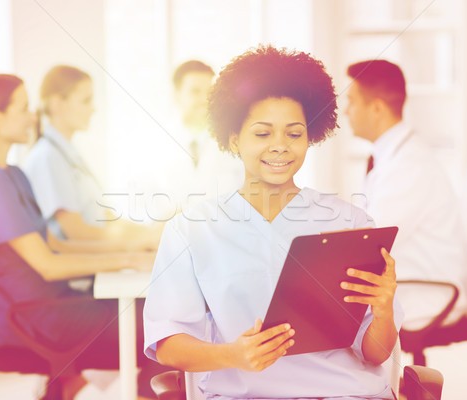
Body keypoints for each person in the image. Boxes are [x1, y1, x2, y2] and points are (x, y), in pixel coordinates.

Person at [144, 46, 403, 399]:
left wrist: (383, 309)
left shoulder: (350, 222)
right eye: (262, 134)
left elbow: (377, 352)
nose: (280, 146)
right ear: (234, 139)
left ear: (310, 137)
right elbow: (168, 343)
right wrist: (232, 354)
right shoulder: (192, 229)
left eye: (294, 134)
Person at [0, 73, 158, 399]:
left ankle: (62, 388)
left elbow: (56, 244)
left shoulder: (12, 175)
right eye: (22, 108)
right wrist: (130, 258)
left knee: (155, 312)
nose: (32, 116)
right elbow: (47, 265)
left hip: (56, 305)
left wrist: (132, 250)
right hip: (38, 319)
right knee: (164, 328)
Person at [344, 60, 467, 327]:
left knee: (327, 316)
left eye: (351, 102)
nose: (345, 112)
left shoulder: (408, 166)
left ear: (376, 109)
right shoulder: (395, 156)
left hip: (423, 292)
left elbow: (372, 242)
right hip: (409, 281)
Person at [23, 65, 163, 246]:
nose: (93, 109)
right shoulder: (48, 157)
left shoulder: (68, 154)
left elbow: (106, 218)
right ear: (57, 104)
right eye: (86, 100)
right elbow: (75, 232)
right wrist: (143, 240)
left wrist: (153, 232)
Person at [151, 60, 243, 214]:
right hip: (169, 235)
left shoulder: (235, 142)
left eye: (209, 92)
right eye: (195, 91)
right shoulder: (157, 145)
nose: (205, 99)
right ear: (177, 96)